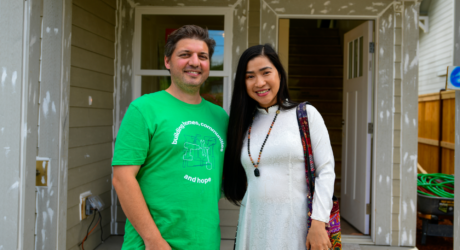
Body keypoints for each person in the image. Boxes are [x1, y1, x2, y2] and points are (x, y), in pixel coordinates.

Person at [112, 25, 229, 250]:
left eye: (202, 56)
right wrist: (153, 241)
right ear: (168, 62)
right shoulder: (144, 108)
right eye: (185, 55)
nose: (195, 62)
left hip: (205, 241)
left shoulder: (220, 117)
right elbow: (123, 179)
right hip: (152, 244)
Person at [223, 44, 335, 250]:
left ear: (280, 75)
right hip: (253, 224)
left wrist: (319, 222)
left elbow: (325, 171)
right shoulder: (242, 124)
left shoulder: (306, 115)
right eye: (250, 76)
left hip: (297, 226)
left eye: (266, 73)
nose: (260, 82)